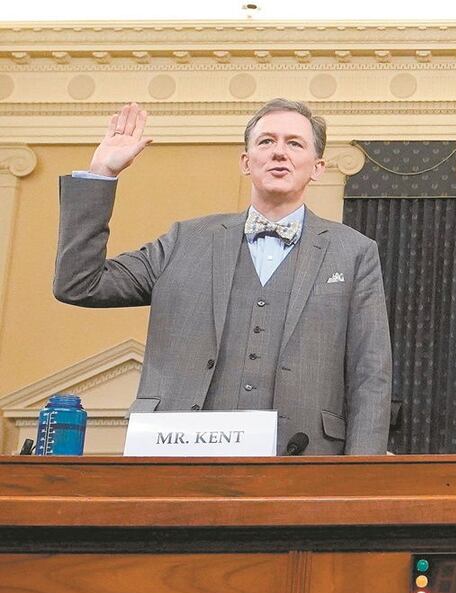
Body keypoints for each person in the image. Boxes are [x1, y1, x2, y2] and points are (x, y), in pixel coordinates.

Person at [54, 99, 392, 455]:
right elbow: (79, 283)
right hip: (180, 457)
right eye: (266, 141)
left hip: (302, 461)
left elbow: (370, 374)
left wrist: (360, 472)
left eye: (294, 143)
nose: (279, 152)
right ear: (246, 162)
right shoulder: (185, 240)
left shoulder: (354, 252)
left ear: (317, 167)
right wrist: (101, 175)